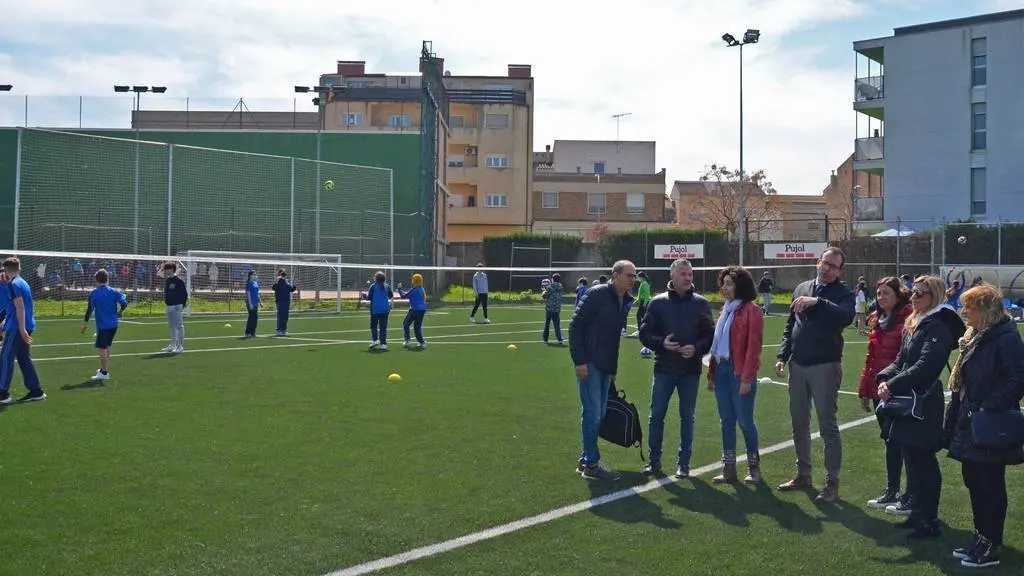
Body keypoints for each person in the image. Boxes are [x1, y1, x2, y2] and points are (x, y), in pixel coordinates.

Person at [876, 275, 964, 540]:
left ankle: (929, 520)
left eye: (920, 293)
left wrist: (891, 384)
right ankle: (917, 514)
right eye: (913, 292)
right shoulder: (915, 322)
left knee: (924, 461)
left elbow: (927, 366)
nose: (913, 297)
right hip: (908, 400)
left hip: (924, 402)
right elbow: (902, 359)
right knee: (911, 459)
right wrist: (883, 377)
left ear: (934, 296)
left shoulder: (938, 325)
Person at [945, 284, 1024, 568]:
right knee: (974, 481)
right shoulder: (976, 336)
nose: (964, 312)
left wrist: (986, 407)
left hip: (990, 423)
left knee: (989, 485)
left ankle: (992, 544)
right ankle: (981, 538)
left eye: (970, 307)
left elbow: (1018, 381)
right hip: (972, 420)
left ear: (986, 310)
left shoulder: (1005, 338)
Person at [775, 247, 855, 502]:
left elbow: (845, 317)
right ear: (817, 263)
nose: (827, 268)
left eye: (833, 266)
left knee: (827, 426)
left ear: (839, 270)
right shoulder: (801, 288)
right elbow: (791, 325)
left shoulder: (844, 293)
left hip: (825, 365)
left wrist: (818, 302)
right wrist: (782, 356)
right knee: (799, 422)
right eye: (824, 263)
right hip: (798, 365)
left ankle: (832, 482)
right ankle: (803, 474)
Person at [637, 259, 714, 478]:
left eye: (690, 274)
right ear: (672, 277)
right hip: (664, 369)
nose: (688, 278)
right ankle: (654, 462)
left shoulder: (701, 304)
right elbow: (644, 333)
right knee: (657, 415)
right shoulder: (657, 303)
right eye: (683, 274)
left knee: (687, 417)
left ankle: (684, 464)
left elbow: (710, 335)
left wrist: (696, 348)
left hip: (690, 371)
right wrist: (662, 343)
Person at [569, 260, 636, 481]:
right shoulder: (596, 295)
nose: (632, 279)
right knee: (592, 413)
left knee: (599, 414)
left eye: (634, 276)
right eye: (629, 275)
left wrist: (613, 369)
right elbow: (575, 326)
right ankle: (591, 465)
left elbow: (614, 339)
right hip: (590, 363)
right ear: (616, 275)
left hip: (605, 366)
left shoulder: (624, 300)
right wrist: (580, 361)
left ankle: (585, 458)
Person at [859, 276, 913, 514]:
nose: (881, 297)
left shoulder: (908, 319)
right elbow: (870, 358)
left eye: (886, 293)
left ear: (898, 295)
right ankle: (892, 491)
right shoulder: (876, 319)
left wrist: (894, 384)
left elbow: (908, 359)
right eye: (879, 293)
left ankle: (910, 496)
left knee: (905, 443)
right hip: (879, 390)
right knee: (890, 442)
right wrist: (865, 388)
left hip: (899, 390)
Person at [707, 265, 765, 484]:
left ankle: (754, 468)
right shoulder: (725, 310)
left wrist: (747, 378)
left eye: (729, 283)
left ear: (740, 286)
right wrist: (712, 374)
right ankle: (729, 469)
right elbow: (717, 345)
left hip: (738, 372)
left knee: (745, 421)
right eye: (724, 283)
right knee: (726, 421)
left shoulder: (752, 311)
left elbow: (753, 348)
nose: (725, 287)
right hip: (721, 370)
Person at [0, 257, 44, 404]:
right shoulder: (22, 282)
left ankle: (3, 393)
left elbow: (20, 307)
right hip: (22, 324)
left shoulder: (13, 284)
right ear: (19, 268)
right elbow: (18, 306)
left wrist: (21, 329)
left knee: (6, 357)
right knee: (24, 357)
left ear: (5, 269)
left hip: (17, 327)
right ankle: (36, 390)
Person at [81, 269, 129, 381]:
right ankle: (103, 369)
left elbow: (89, 310)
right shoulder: (114, 291)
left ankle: (104, 372)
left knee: (102, 348)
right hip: (114, 324)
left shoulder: (94, 293)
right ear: (107, 279)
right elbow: (124, 303)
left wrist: (85, 323)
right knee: (107, 346)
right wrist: (120, 312)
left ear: (96, 280)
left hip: (103, 325)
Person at [161, 262, 187, 354]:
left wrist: (181, 306)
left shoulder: (179, 281)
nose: (165, 271)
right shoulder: (168, 280)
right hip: (169, 306)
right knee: (172, 326)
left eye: (166, 269)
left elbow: (184, 295)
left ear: (171, 269)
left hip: (177, 306)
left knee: (179, 325)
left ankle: (180, 346)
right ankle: (173, 345)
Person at [363, 271, 393, 350]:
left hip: (375, 310)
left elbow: (369, 298)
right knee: (383, 327)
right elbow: (391, 295)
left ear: (376, 279)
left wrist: (364, 296)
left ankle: (375, 340)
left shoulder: (373, 286)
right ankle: (383, 344)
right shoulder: (387, 286)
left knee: (373, 326)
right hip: (385, 310)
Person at [399, 273, 428, 349]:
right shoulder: (422, 289)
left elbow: (404, 296)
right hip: (422, 310)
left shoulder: (414, 289)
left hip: (415, 309)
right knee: (417, 326)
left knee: (406, 324)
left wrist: (399, 289)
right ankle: (422, 342)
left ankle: (407, 340)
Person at [272, 268, 297, 336]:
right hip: (280, 301)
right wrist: (277, 280)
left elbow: (290, 289)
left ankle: (284, 330)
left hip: (286, 301)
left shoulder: (286, 281)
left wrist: (294, 287)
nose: (283, 274)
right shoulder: (278, 281)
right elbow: (274, 288)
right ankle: (279, 330)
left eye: (284, 272)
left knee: (285, 316)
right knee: (281, 316)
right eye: (282, 272)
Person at [542, 273, 564, 344]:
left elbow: (545, 296)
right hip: (557, 308)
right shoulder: (561, 286)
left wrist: (544, 291)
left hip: (549, 308)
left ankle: (545, 339)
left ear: (552, 279)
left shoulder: (550, 287)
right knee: (557, 325)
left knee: (547, 324)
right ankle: (560, 339)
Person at [630, 271, 651, 337]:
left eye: (638, 277)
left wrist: (645, 303)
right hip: (643, 302)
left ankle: (640, 331)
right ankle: (643, 330)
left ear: (641, 277)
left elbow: (647, 294)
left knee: (640, 316)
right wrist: (633, 303)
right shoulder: (643, 283)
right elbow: (640, 296)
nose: (637, 279)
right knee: (642, 316)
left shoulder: (644, 283)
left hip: (645, 302)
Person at [243, 270, 261, 338]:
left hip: (256, 303)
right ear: (250, 276)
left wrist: (260, 302)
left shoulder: (256, 283)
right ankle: (247, 332)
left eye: (255, 274)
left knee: (255, 318)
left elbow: (257, 294)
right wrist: (250, 304)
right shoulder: (249, 284)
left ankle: (253, 332)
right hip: (250, 303)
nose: (255, 275)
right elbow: (248, 294)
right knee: (251, 318)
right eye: (254, 274)